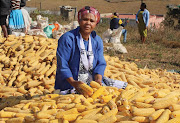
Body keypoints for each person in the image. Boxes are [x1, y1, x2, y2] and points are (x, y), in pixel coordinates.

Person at [55, 6, 127, 95]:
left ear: (96, 23)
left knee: (123, 89)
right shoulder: (68, 39)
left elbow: (100, 63)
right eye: (85, 19)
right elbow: (62, 65)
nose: (88, 23)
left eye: (92, 21)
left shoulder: (97, 40)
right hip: (71, 83)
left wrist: (98, 79)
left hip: (91, 81)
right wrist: (73, 82)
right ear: (79, 20)